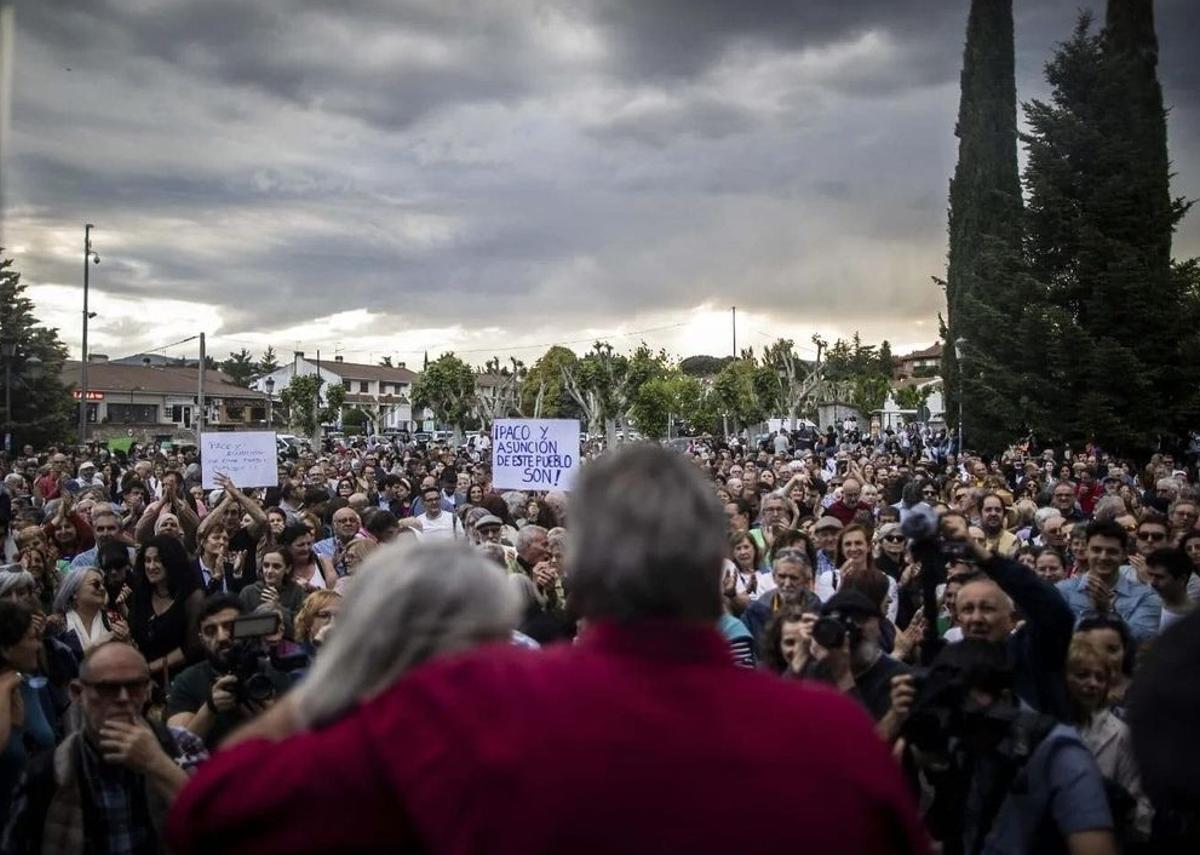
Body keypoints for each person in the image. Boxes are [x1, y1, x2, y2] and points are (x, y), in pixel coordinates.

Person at [167, 444, 928, 855]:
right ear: (716, 569)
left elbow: (214, 811)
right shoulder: (836, 742)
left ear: (578, 573)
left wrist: (341, 671)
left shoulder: (474, 702)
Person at [898, 639, 1117, 855]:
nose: (961, 726)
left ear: (1003, 699)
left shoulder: (1060, 754)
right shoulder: (971, 743)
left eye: (969, 710)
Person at [1, 642, 207, 855]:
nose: (123, 698)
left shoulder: (182, 745)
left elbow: (216, 829)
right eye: (107, 689)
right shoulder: (46, 771)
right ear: (77, 692)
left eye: (134, 686)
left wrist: (158, 764)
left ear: (148, 690)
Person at [166, 594, 291, 749]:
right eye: (210, 631)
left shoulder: (272, 673)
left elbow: (298, 739)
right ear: (201, 638)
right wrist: (209, 709)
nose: (221, 637)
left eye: (230, 627)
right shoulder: (187, 681)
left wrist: (271, 715)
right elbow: (178, 749)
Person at [1065, 636, 1152, 841]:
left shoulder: (1121, 735)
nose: (1093, 684)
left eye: (1100, 677)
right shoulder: (1044, 724)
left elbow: (1141, 811)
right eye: (1083, 675)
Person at [1057, 520, 1162, 643]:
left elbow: (1142, 641)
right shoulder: (1062, 592)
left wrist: (1109, 612)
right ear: (1087, 551)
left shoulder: (1146, 597)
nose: (1103, 557)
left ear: (1123, 554)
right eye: (1096, 550)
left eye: (1111, 552)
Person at [0, 601, 55, 821]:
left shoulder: (28, 684)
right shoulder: (9, 685)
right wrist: (3, 689)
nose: (38, 646)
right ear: (6, 648)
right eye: (32, 638)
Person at [128, 536, 204, 682]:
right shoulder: (141, 593)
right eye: (147, 560)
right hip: (142, 679)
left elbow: (193, 647)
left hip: (182, 678)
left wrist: (150, 668)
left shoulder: (194, 597)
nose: (151, 566)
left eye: (157, 560)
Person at [239, 549, 307, 637]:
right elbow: (241, 629)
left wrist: (278, 607)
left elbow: (300, 629)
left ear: (288, 569)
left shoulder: (297, 592)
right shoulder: (248, 592)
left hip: (289, 646)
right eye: (266, 565)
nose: (269, 571)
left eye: (276, 566)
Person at [1144, 547, 1195, 631]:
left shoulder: (1194, 619)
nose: (1153, 582)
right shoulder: (1145, 604)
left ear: (1182, 579)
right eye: (1150, 575)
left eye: (1160, 577)